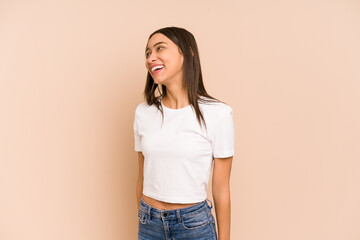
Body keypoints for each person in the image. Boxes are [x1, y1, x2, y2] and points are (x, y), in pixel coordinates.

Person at [133, 26, 234, 240]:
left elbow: (221, 189)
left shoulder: (219, 114)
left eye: (160, 48)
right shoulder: (144, 113)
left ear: (188, 52)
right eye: (148, 53)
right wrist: (144, 218)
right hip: (149, 223)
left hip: (193, 226)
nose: (151, 57)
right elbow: (142, 176)